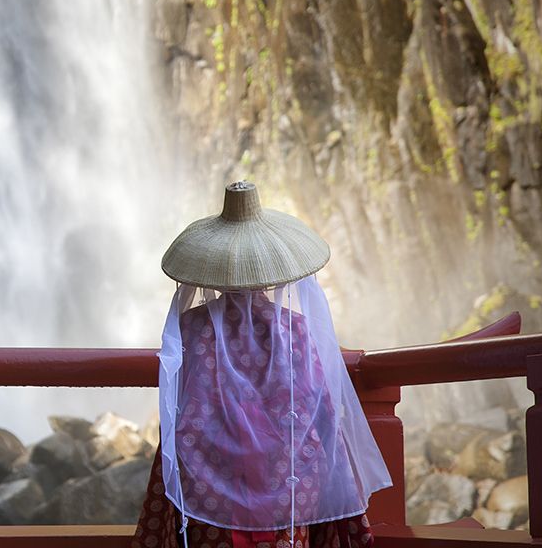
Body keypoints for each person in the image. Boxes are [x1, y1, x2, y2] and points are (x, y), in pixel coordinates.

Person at [132, 181, 392, 548]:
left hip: (211, 486)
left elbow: (178, 412)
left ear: (215, 270)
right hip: (288, 487)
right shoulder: (296, 330)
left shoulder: (190, 328)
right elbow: (321, 411)